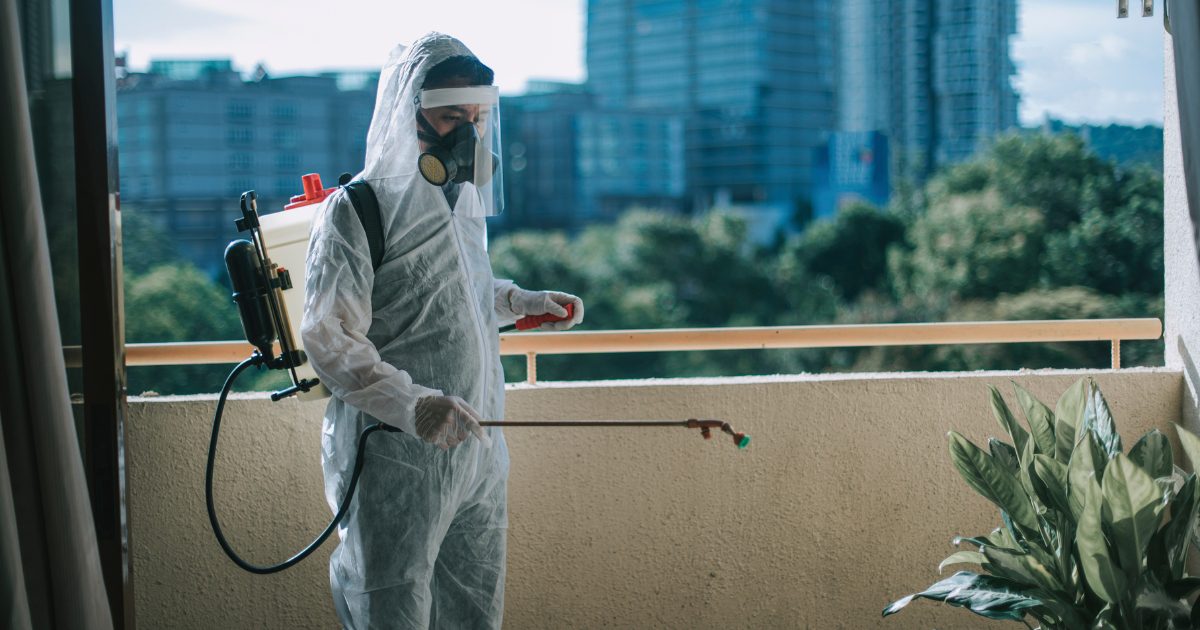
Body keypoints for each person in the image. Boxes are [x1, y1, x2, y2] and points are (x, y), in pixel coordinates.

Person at [301, 32, 584, 629]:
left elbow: (451, 294)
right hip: (397, 454)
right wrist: (414, 404)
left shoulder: (460, 200)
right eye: (452, 116)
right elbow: (329, 337)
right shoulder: (358, 209)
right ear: (409, 114)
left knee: (476, 610)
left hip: (478, 449)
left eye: (477, 118)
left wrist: (520, 300)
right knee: (392, 605)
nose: (468, 135)